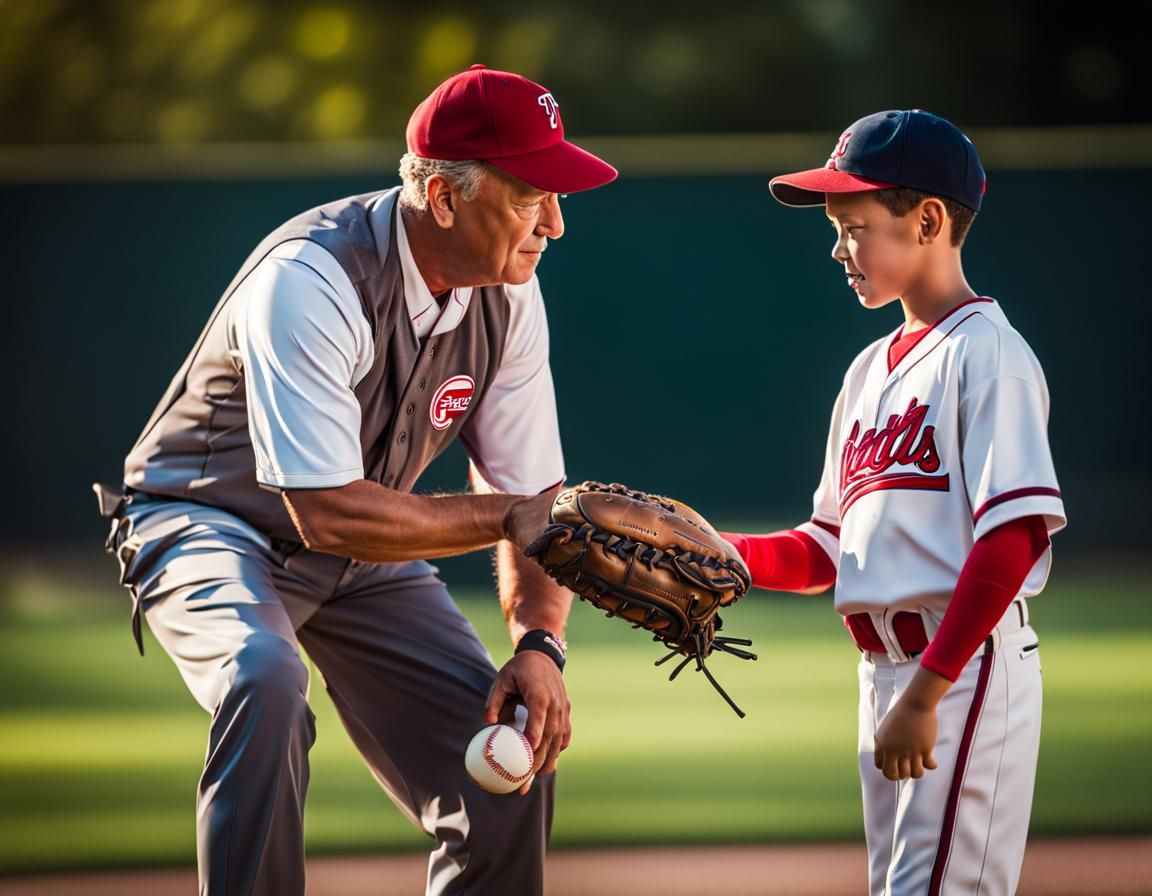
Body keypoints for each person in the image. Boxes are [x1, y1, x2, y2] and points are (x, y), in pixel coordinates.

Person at [92, 64, 616, 896]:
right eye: (529, 197)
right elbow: (329, 513)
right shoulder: (311, 278)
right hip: (206, 521)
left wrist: (539, 645)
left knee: (512, 749)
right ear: (444, 198)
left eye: (557, 196)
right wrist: (516, 516)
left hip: (362, 553)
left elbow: (537, 505)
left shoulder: (510, 296)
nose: (554, 222)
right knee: (263, 679)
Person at [723, 110, 1066, 895]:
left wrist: (927, 690)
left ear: (930, 220)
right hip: (889, 673)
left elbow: (1012, 537)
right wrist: (716, 550)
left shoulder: (990, 355)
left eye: (855, 225)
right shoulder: (867, 371)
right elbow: (826, 546)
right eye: (837, 228)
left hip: (960, 668)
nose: (837, 247)